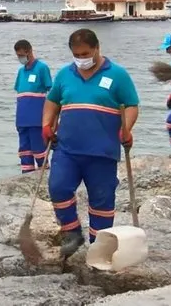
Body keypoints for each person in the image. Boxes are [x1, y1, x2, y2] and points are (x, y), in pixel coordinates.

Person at [41, 29, 139, 258]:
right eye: (77, 54)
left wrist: (126, 129)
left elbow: (131, 105)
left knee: (102, 199)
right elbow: (52, 101)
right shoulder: (65, 75)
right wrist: (46, 125)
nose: (81, 58)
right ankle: (72, 232)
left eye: (85, 53)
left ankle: (99, 244)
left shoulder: (117, 75)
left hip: (102, 151)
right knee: (58, 187)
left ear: (97, 48)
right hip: (67, 149)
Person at [13, 39, 53, 174]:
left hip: (36, 118)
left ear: (29, 51)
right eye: (18, 56)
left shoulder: (41, 68)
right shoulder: (21, 71)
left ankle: (44, 174)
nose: (20, 58)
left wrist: (50, 119)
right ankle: (26, 174)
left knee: (39, 147)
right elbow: (19, 92)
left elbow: (51, 92)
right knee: (24, 149)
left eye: (22, 55)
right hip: (22, 118)